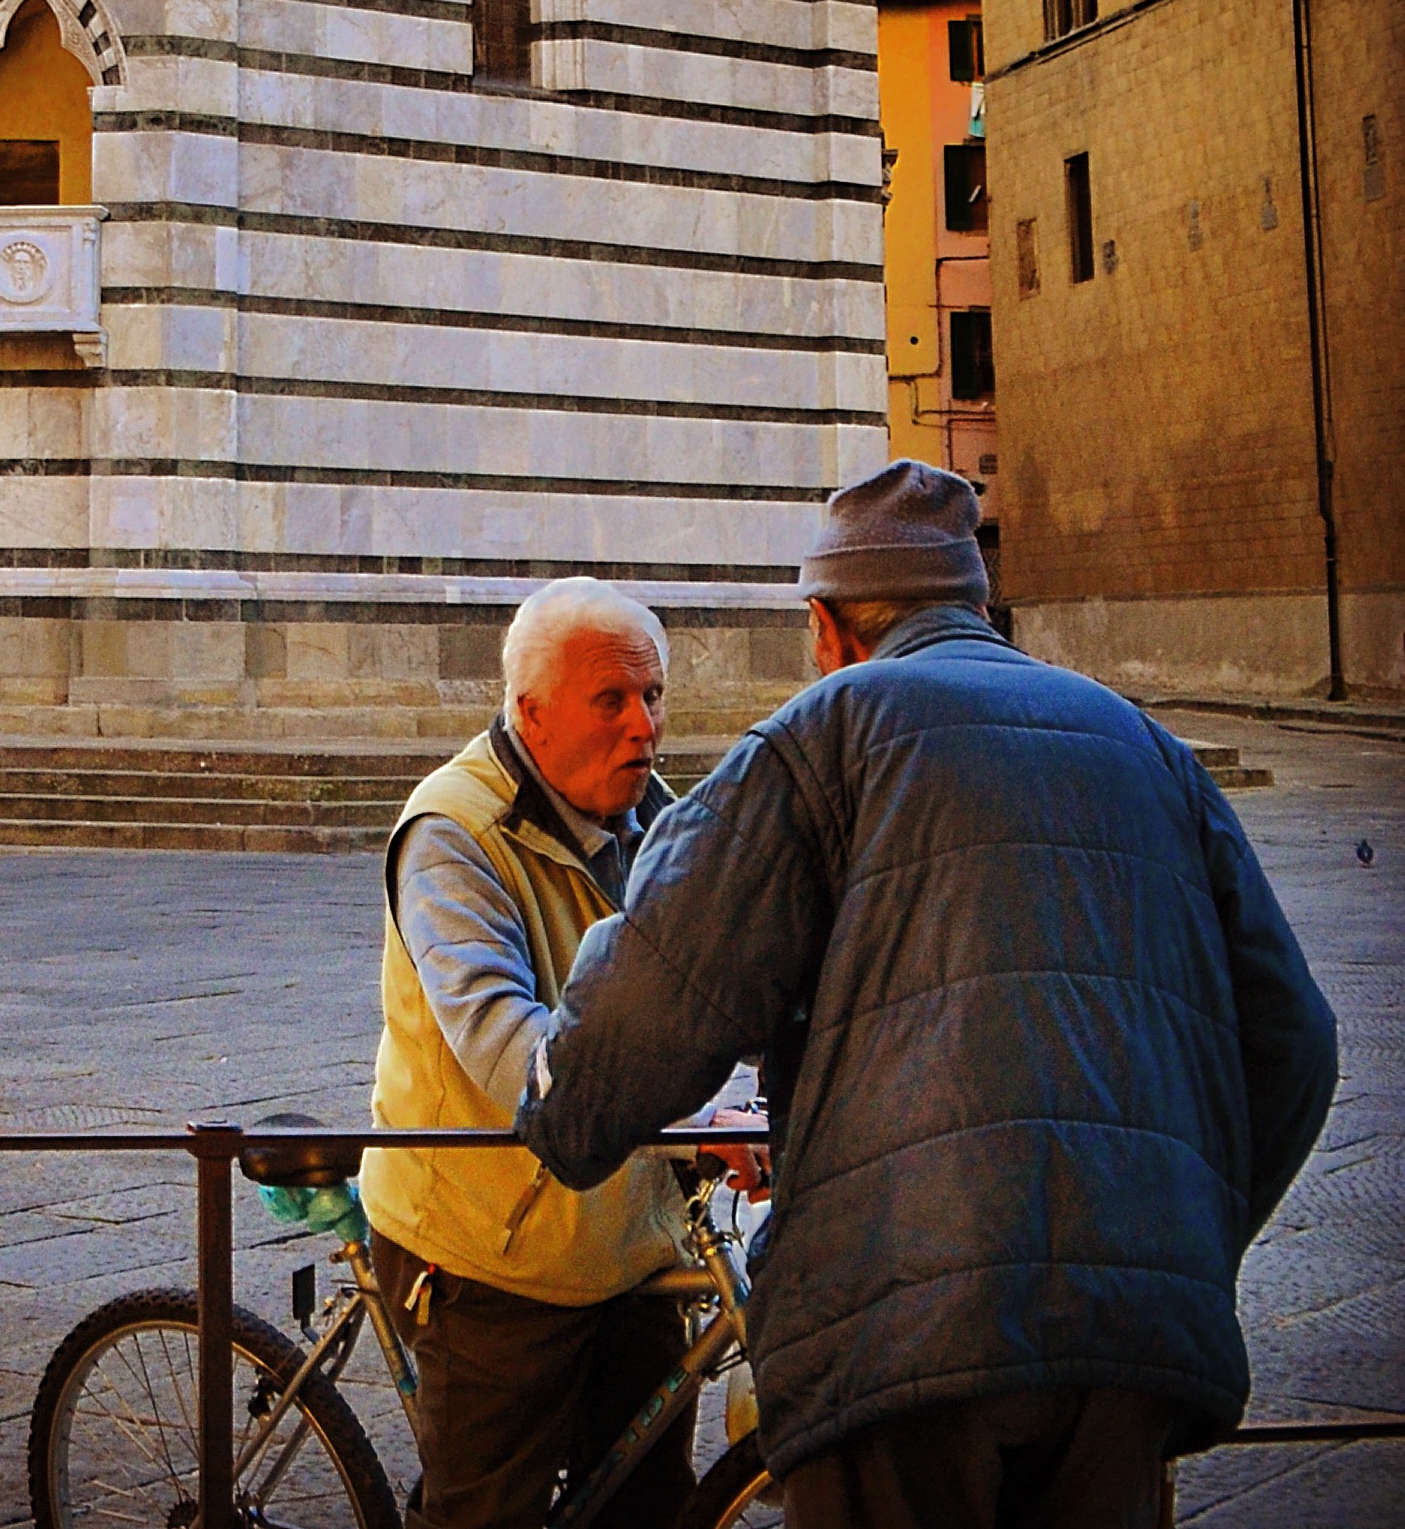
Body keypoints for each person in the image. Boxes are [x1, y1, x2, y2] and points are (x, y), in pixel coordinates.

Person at [517, 462, 1340, 1529]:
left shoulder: (827, 734)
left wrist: (562, 1108)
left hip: (902, 1332)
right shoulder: (1151, 749)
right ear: (977, 609)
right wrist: (1175, 1230)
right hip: (1133, 1345)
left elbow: (651, 994)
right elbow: (1297, 1044)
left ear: (827, 627)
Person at [362, 575, 702, 1528]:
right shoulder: (451, 833)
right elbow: (503, 1042)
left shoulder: (657, 820)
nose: (645, 726)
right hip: (489, 1244)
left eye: (654, 696)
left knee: (648, 1503)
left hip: (622, 1233)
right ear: (530, 714)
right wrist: (678, 1111)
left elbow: (718, 982)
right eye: (613, 701)